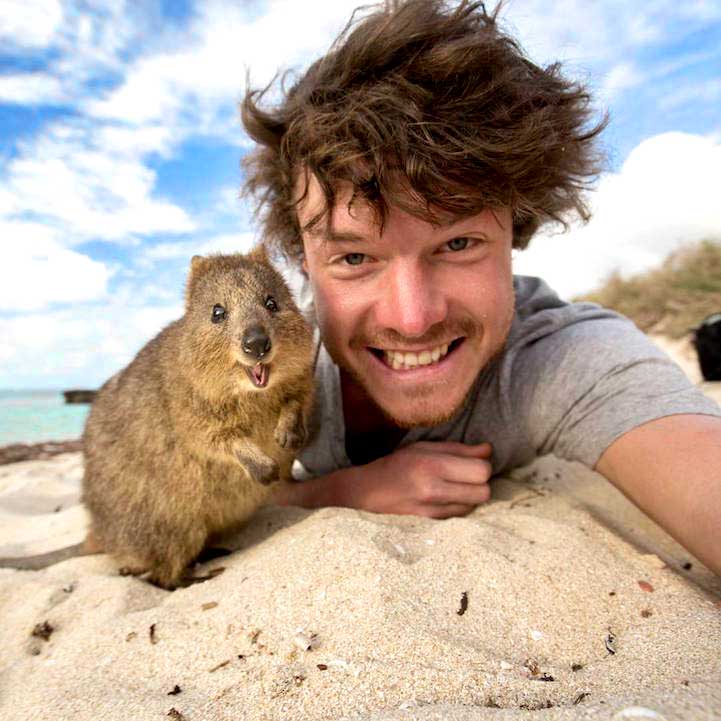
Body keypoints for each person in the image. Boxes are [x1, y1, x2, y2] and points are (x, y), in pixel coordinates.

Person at [240, 0, 721, 576]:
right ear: (303, 260)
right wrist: (337, 492)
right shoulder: (262, 363)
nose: (412, 319)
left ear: (516, 229)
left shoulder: (562, 360)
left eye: (458, 244)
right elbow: (166, 493)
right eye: (354, 257)